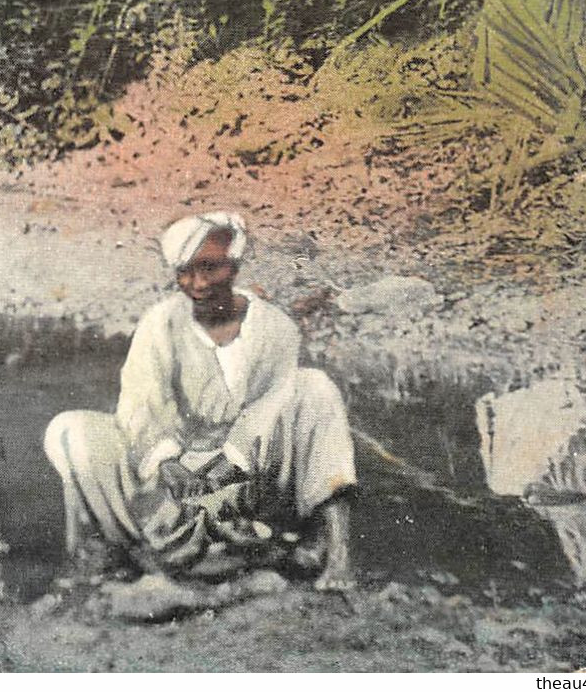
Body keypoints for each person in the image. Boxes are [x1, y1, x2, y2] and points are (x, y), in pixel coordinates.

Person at [43, 212, 357, 590]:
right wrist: (168, 465)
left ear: (235, 266)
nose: (198, 283)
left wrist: (222, 472)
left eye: (210, 268)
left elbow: (268, 411)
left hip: (250, 474)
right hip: (169, 478)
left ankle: (334, 553)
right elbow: (141, 404)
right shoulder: (160, 323)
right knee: (69, 429)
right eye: (186, 272)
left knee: (316, 387)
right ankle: (104, 554)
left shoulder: (275, 329)